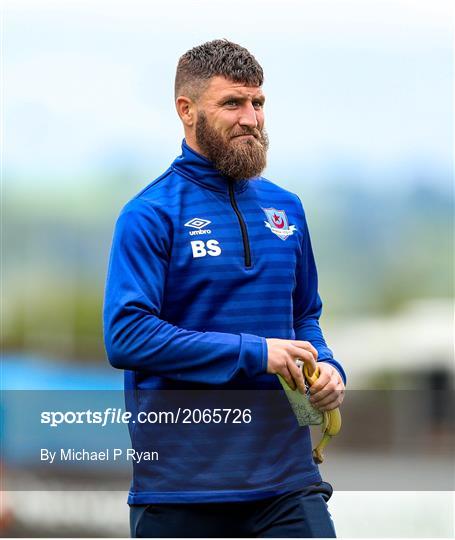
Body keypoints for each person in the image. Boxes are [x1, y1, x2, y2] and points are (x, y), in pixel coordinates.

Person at [104, 39, 346, 538]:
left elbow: (304, 317)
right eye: (232, 103)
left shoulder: (287, 209)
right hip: (181, 489)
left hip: (287, 482)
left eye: (258, 103)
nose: (251, 119)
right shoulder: (150, 214)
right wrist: (255, 353)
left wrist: (326, 367)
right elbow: (127, 335)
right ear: (186, 110)